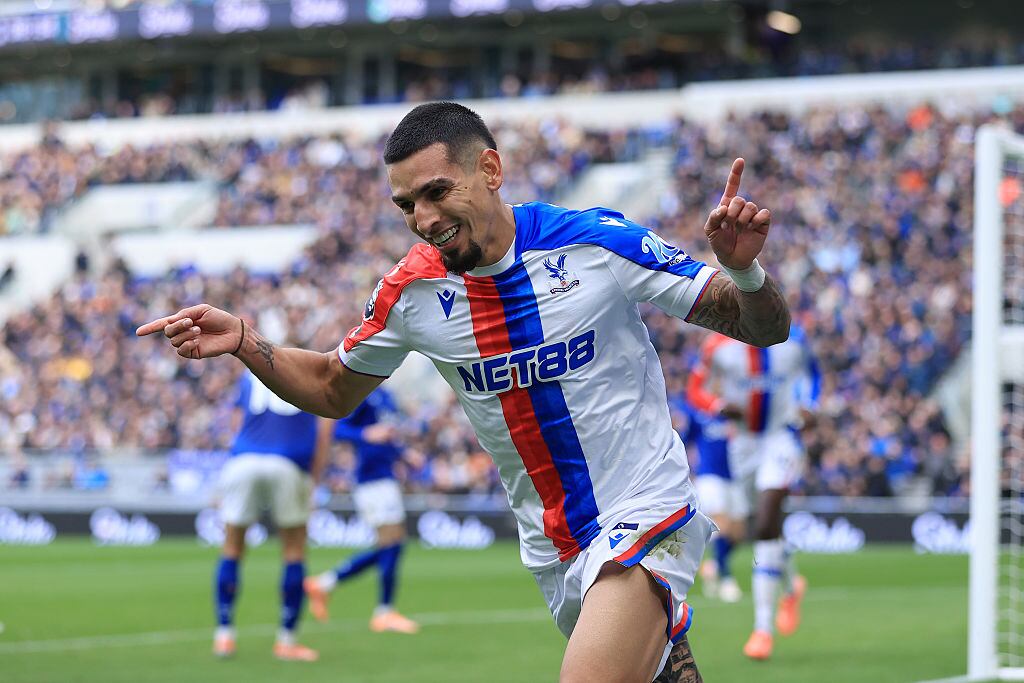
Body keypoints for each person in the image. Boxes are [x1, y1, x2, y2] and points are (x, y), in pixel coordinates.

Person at [138, 101, 790, 682]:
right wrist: (247, 340)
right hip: (552, 542)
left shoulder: (593, 242)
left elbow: (759, 324)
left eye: (436, 192)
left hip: (645, 509)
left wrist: (744, 270)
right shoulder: (412, 291)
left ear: (491, 170)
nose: (422, 219)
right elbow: (334, 388)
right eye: (405, 206)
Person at [687, 325, 819, 661]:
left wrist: (809, 405)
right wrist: (717, 405)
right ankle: (792, 584)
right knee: (759, 526)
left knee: (764, 521)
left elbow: (813, 373)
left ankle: (762, 631)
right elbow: (694, 389)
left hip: (781, 437)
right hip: (742, 444)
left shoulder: (794, 340)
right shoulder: (718, 346)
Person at [212, 369, 333, 662]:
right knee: (293, 551)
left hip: (243, 460)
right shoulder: (314, 372)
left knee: (231, 548)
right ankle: (286, 640)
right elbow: (324, 431)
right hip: (288, 462)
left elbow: (237, 423)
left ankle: (224, 635)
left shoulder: (249, 375)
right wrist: (315, 480)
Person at [304, 387, 420, 634]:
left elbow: (386, 435)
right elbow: (337, 429)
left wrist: (403, 454)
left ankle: (325, 584)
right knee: (391, 545)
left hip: (385, 476)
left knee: (392, 545)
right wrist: (366, 434)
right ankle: (384, 611)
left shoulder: (387, 395)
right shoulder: (364, 391)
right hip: (371, 481)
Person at [676, 397, 744, 603]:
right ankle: (726, 580)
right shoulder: (699, 416)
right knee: (722, 524)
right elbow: (684, 440)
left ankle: (712, 565)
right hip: (710, 477)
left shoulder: (734, 413)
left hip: (734, 477)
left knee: (738, 533)